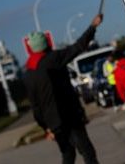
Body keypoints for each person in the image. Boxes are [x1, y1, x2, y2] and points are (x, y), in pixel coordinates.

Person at [23, 14, 103, 164]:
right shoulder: (53, 59)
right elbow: (78, 47)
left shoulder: (28, 73)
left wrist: (45, 127)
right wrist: (93, 27)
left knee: (68, 154)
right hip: (68, 116)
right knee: (87, 151)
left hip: (53, 123)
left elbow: (35, 105)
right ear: (45, 44)